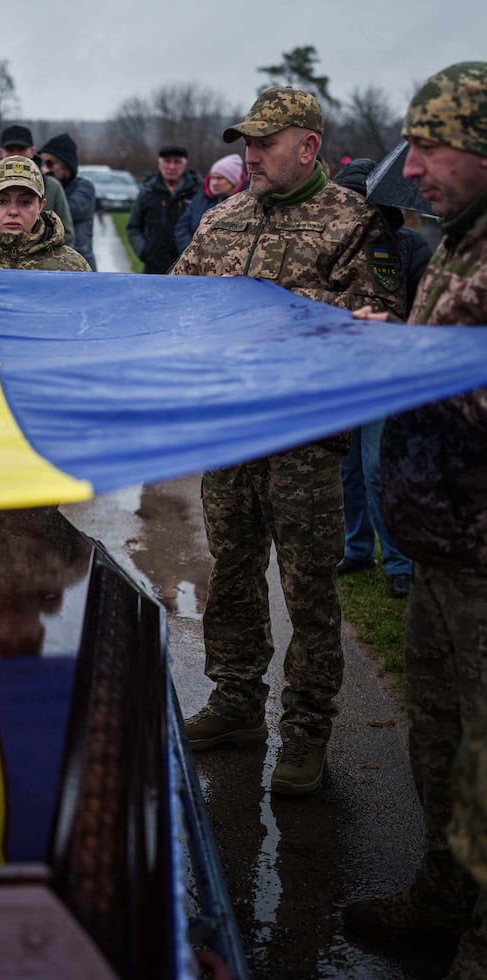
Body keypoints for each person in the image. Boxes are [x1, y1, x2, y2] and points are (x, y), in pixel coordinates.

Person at [170, 87, 405, 796]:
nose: (251, 153)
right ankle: (237, 700)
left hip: (305, 437)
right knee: (233, 572)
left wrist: (276, 313)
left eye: (265, 142)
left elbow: (378, 319)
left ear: (308, 147)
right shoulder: (224, 217)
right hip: (232, 427)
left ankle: (306, 727)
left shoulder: (356, 221)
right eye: (246, 141)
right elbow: (179, 300)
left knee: (309, 586)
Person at [340, 63, 487, 978]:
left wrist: (405, 368)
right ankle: (442, 899)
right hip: (441, 556)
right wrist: (383, 336)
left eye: (431, 146)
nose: (414, 167)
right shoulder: (457, 245)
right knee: (438, 741)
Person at [332, 157, 433, 599]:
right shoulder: (334, 243)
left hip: (388, 376)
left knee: (378, 469)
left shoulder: (410, 246)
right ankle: (356, 548)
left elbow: (427, 315)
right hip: (342, 374)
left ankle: (399, 561)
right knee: (347, 469)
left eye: (359, 202)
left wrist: (390, 328)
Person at [0, 125, 74, 246]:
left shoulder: (52, 187)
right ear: (2, 152)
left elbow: (66, 235)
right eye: (1, 201)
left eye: (26, 202)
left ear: (32, 151)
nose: (16, 154)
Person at [127, 145, 202, 274]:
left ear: (185, 165)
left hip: (188, 267)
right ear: (160, 164)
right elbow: (133, 226)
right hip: (153, 267)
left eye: (177, 162)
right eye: (167, 162)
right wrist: (144, 251)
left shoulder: (197, 191)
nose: (172, 167)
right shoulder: (147, 191)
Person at [37, 133, 97, 270]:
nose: (44, 168)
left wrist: (50, 186)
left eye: (50, 163)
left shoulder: (84, 187)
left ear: (66, 165)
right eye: (42, 163)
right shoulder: (48, 187)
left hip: (81, 261)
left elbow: (68, 211)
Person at [174, 153, 245, 255]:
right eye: (212, 177)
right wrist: (192, 252)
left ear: (233, 181)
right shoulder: (199, 199)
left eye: (220, 178)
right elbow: (182, 227)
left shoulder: (247, 201)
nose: (214, 182)